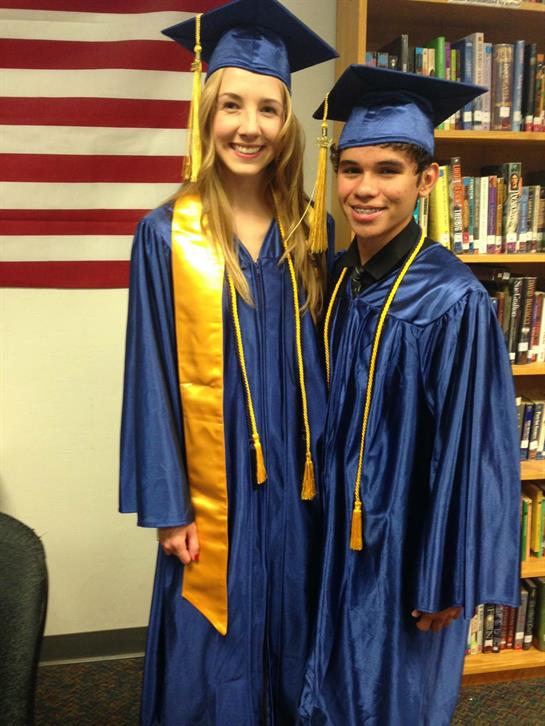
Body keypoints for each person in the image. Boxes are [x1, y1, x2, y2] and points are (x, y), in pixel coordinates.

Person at [119, 1, 336, 724]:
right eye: (233, 105)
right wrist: (168, 506)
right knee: (212, 644)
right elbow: (149, 376)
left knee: (295, 626)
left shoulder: (311, 229)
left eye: (270, 109)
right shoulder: (166, 234)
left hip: (299, 482)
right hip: (214, 488)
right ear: (205, 112)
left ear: (287, 123)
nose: (251, 126)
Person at [299, 65, 521, 726]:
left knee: (393, 699)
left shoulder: (453, 301)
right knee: (327, 687)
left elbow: (473, 451)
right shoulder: (337, 280)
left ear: (426, 181)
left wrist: (445, 573)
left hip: (405, 551)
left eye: (387, 170)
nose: (363, 189)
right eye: (350, 168)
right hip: (334, 531)